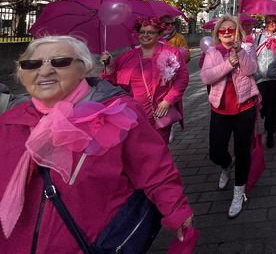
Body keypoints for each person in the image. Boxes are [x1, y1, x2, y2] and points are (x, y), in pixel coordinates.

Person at [0, 36, 193, 252]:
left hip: (92, 243)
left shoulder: (118, 112)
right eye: (32, 64)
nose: (44, 71)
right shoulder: (9, 121)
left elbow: (153, 167)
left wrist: (176, 209)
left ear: (84, 69)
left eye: (60, 61)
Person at [199, 15, 260, 218]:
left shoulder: (248, 48)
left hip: (245, 107)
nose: (227, 32)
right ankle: (226, 165)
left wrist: (240, 53)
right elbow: (206, 77)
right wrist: (227, 64)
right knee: (216, 151)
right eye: (223, 29)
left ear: (238, 32)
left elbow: (252, 70)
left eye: (231, 29)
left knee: (242, 151)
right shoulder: (212, 52)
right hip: (220, 109)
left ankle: (239, 192)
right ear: (217, 34)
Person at [101, 16, 189, 143]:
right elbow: (110, 82)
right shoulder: (126, 57)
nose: (145, 35)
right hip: (132, 115)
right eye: (142, 32)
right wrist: (108, 66)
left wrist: (167, 101)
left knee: (158, 150)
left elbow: (182, 78)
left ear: (159, 34)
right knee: (137, 152)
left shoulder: (171, 53)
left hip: (158, 113)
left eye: (150, 32)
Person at [253, 14, 276, 148]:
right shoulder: (259, 37)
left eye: (274, 22)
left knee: (273, 107)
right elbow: (253, 53)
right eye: (268, 22)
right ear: (265, 23)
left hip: (275, 78)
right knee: (264, 105)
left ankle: (271, 132)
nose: (271, 24)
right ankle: (267, 122)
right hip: (261, 77)